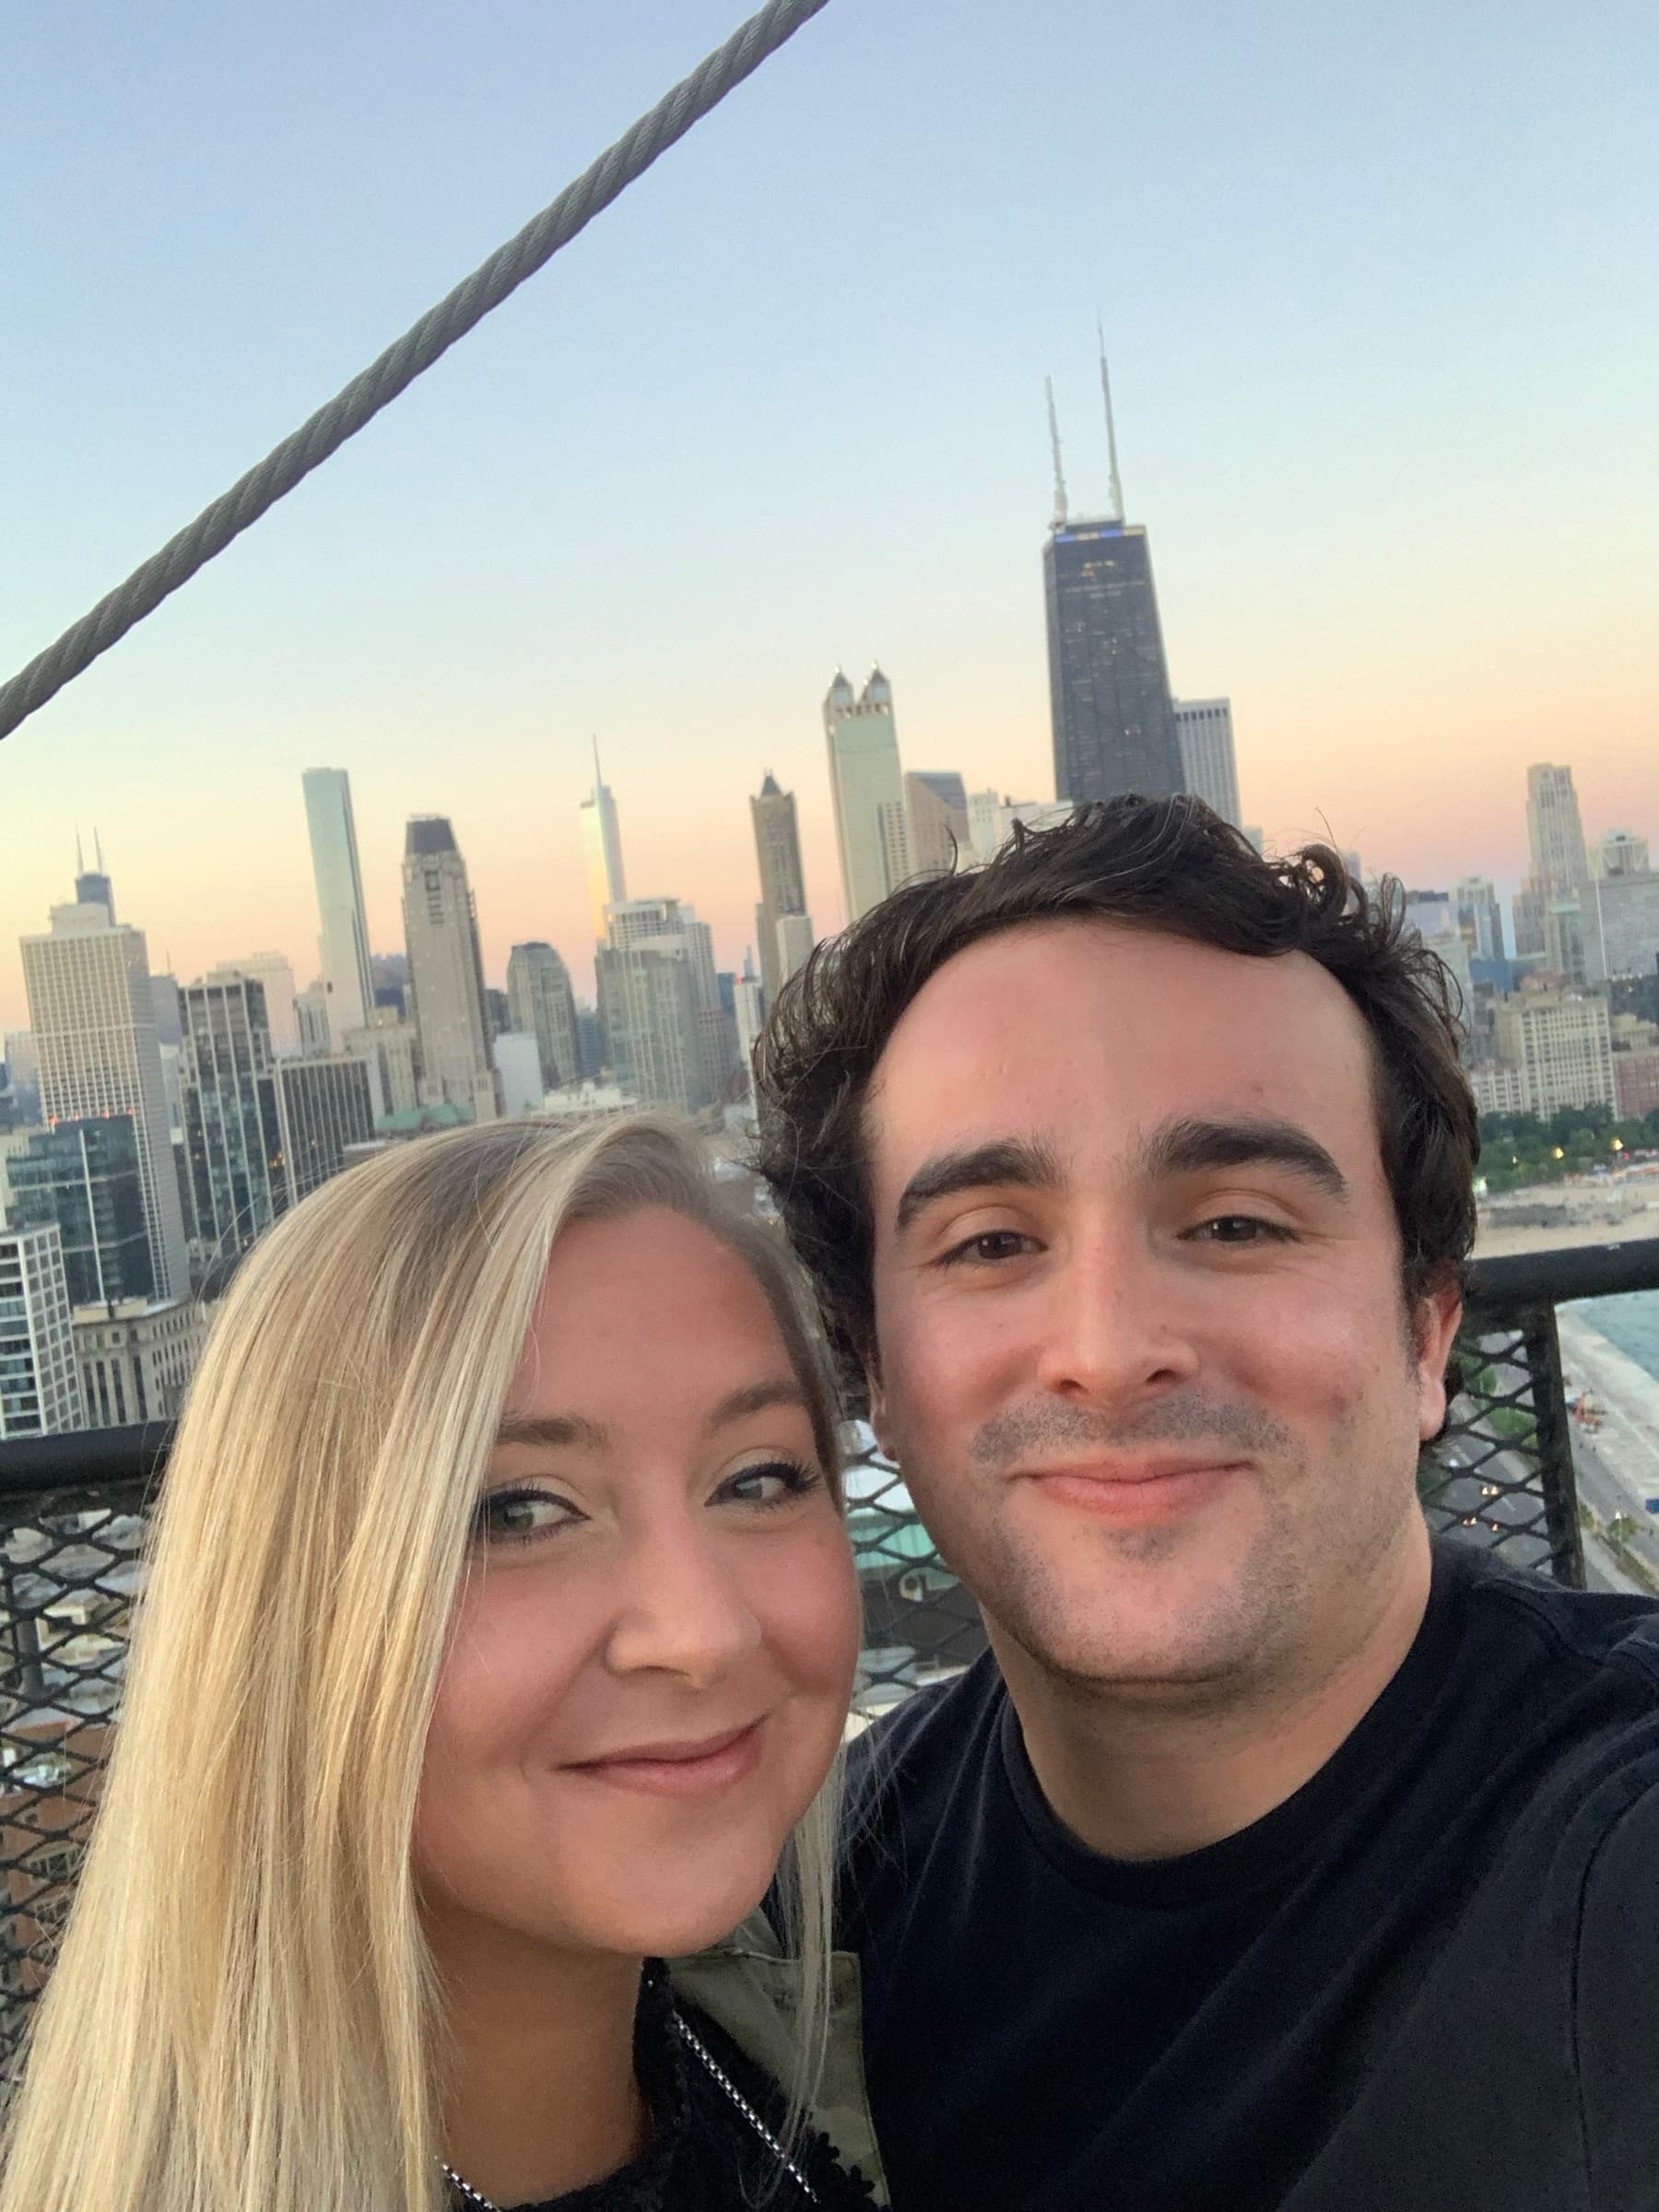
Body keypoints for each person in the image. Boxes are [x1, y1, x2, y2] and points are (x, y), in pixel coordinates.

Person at [756, 794, 1659, 2212]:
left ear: (1426, 1333)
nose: (1110, 1349)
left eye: (1237, 1223)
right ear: (876, 1373)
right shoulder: (811, 1928)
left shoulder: (1615, 1865)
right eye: (991, 1243)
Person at [0, 1116, 881, 2212]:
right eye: (519, 1511)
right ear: (286, 1619)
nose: (703, 1632)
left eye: (758, 1479)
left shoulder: (851, 2043)